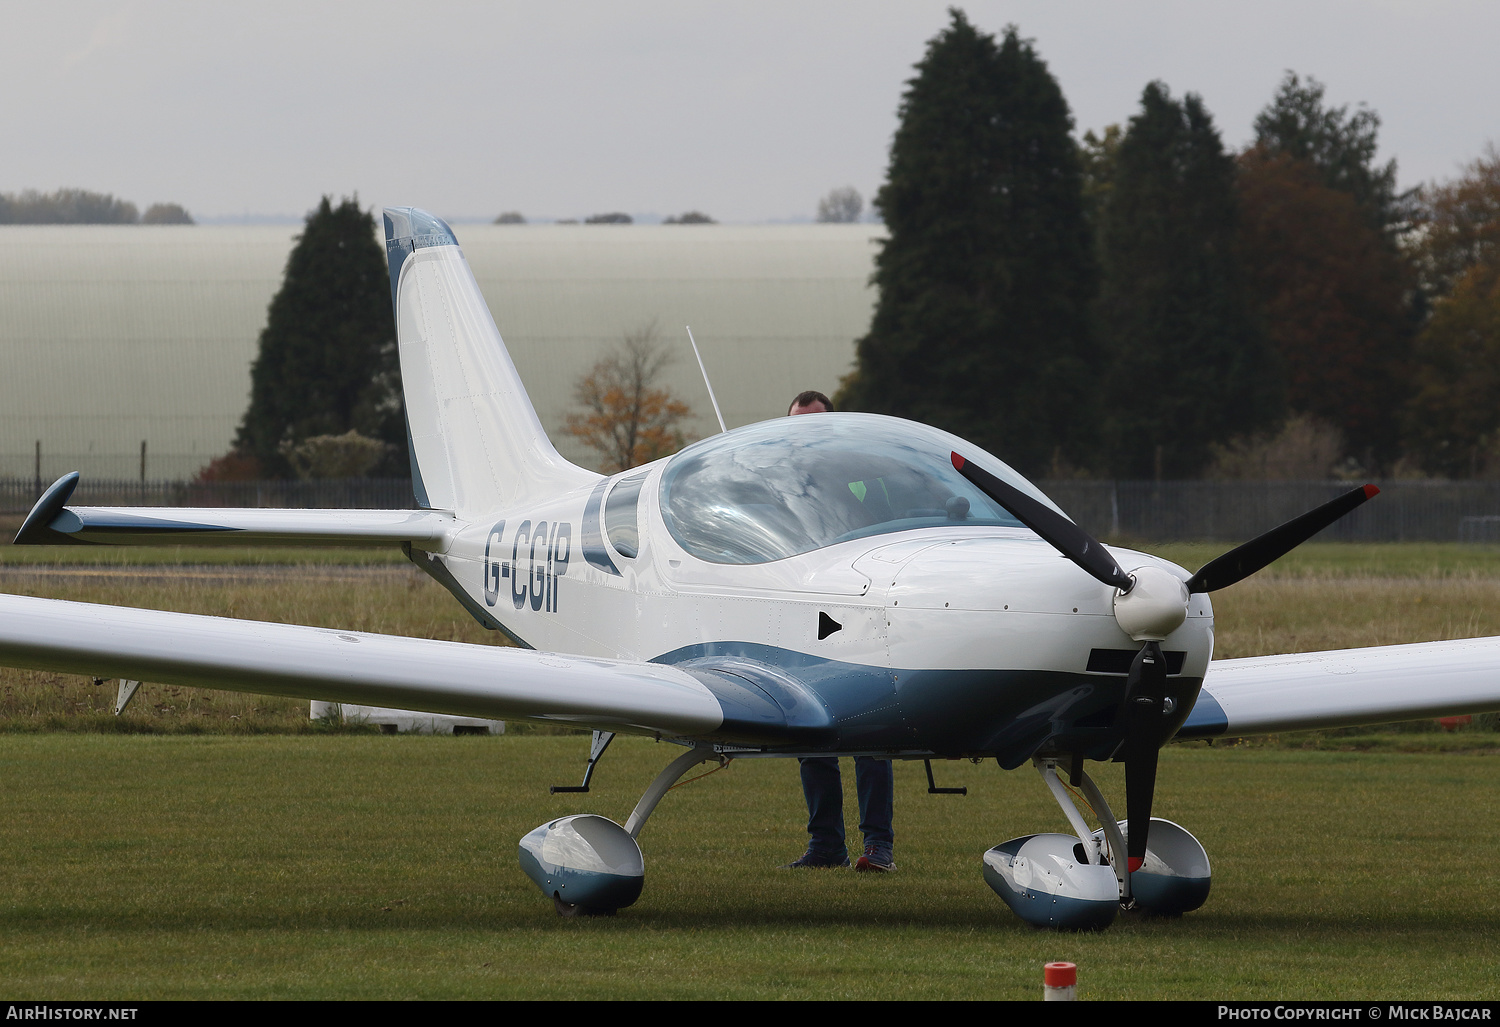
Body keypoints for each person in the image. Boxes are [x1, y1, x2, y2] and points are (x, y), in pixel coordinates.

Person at [781, 390, 896, 872]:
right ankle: (826, 846)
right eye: (797, 428)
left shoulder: (868, 484)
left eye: (816, 427)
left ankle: (878, 848)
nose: (806, 438)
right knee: (812, 736)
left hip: (861, 614)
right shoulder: (779, 487)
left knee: (869, 736)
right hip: (802, 618)